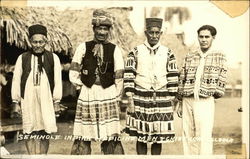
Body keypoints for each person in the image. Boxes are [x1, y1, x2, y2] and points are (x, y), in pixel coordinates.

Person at [69, 9, 124, 155]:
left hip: (108, 92)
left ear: (109, 31)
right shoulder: (83, 47)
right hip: (88, 93)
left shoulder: (114, 49)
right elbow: (74, 70)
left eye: (105, 29)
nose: (102, 32)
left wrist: (117, 94)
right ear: (94, 29)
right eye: (99, 28)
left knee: (110, 134)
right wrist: (81, 85)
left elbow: (119, 74)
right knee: (84, 133)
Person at [124, 18, 179, 155]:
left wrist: (172, 98)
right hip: (140, 96)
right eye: (151, 32)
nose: (154, 36)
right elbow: (129, 75)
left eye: (157, 33)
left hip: (161, 97)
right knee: (141, 137)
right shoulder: (135, 52)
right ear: (146, 33)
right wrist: (130, 99)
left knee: (158, 137)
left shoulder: (168, 52)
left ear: (161, 33)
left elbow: (173, 76)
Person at [11, 24, 62, 154]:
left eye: (41, 42)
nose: (38, 45)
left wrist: (56, 101)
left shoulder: (53, 58)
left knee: (45, 130)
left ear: (46, 42)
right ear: (30, 42)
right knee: (29, 130)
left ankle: (43, 156)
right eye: (35, 42)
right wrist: (15, 102)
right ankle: (31, 157)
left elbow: (57, 81)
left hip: (46, 98)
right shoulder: (22, 58)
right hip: (28, 97)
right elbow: (16, 80)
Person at [177, 25, 227, 155]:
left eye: (207, 37)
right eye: (201, 36)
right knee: (187, 133)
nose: (204, 40)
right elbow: (183, 76)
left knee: (203, 134)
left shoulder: (219, 55)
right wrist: (180, 100)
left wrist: (213, 93)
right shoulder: (191, 55)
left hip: (205, 100)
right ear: (198, 37)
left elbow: (222, 75)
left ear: (213, 37)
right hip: (187, 99)